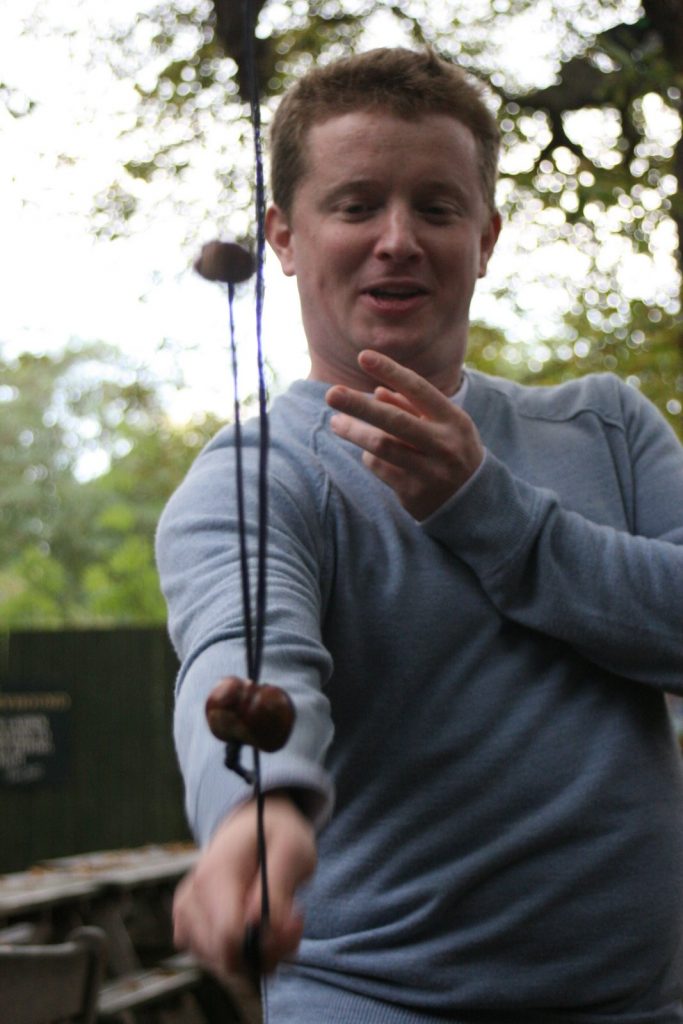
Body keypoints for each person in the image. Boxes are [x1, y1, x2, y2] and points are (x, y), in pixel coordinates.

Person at [156, 47, 683, 1023]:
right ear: (283, 236)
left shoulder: (606, 427)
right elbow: (244, 660)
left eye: (435, 209)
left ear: (484, 238)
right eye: (355, 206)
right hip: (366, 1001)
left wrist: (484, 506)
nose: (396, 240)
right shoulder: (254, 476)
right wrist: (255, 818)